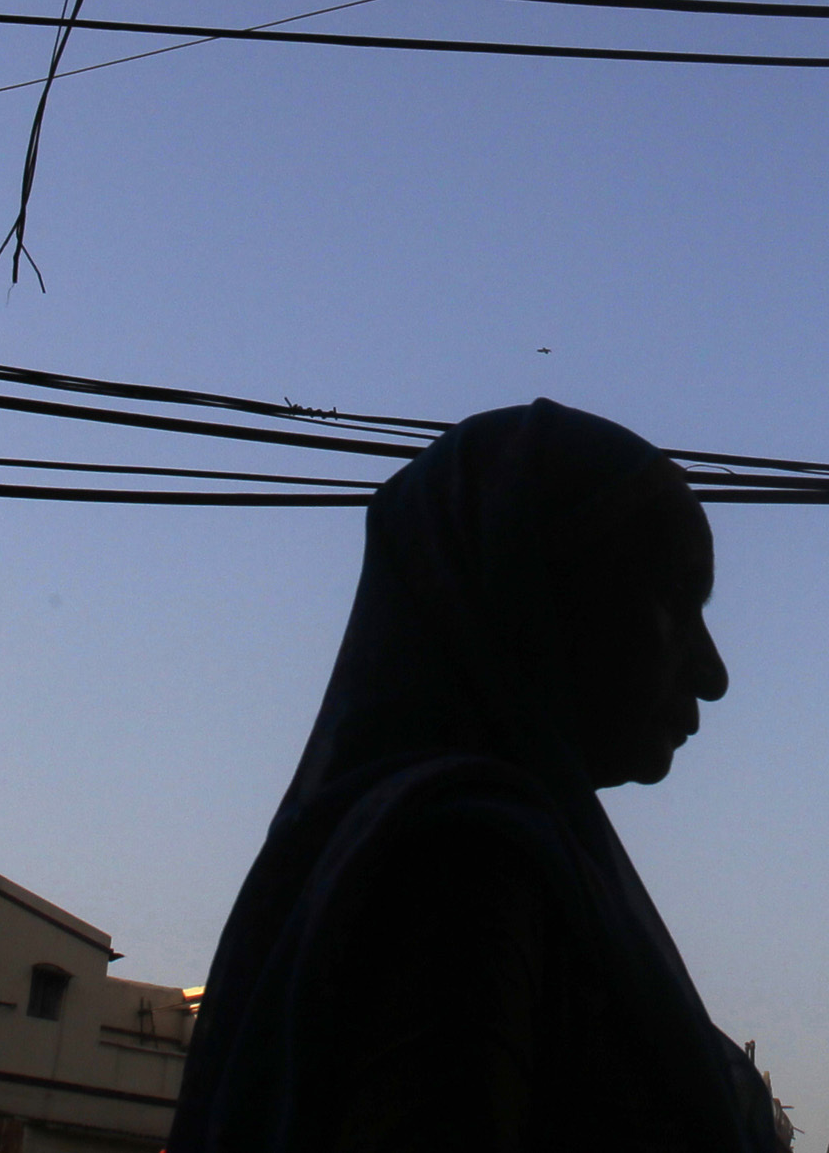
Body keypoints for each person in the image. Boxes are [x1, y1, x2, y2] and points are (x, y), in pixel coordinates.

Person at [167, 401, 777, 1153]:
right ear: (536, 588)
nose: (712, 673)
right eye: (673, 597)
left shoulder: (467, 858)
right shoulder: (465, 867)